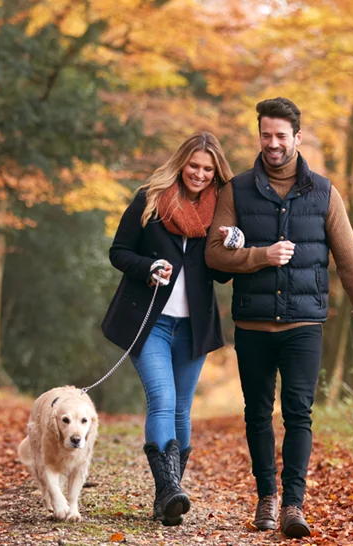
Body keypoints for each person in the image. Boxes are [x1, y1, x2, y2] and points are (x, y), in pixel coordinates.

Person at [205, 97, 353, 539]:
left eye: (282, 136)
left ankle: (294, 506)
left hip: (304, 325)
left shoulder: (323, 192)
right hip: (252, 325)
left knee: (299, 414)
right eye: (266, 135)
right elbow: (213, 254)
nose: (273, 144)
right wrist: (260, 256)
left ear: (297, 138)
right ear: (259, 136)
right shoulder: (237, 191)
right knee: (258, 414)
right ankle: (267, 497)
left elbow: (350, 260)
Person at [101, 131, 234, 526]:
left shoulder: (222, 212)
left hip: (193, 328)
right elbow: (119, 251)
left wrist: (230, 245)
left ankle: (168, 497)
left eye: (208, 169)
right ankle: (169, 491)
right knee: (162, 398)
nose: (199, 174)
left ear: (215, 173)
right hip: (150, 322)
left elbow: (223, 276)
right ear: (181, 163)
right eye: (194, 165)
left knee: (181, 408)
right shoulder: (150, 199)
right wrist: (148, 268)